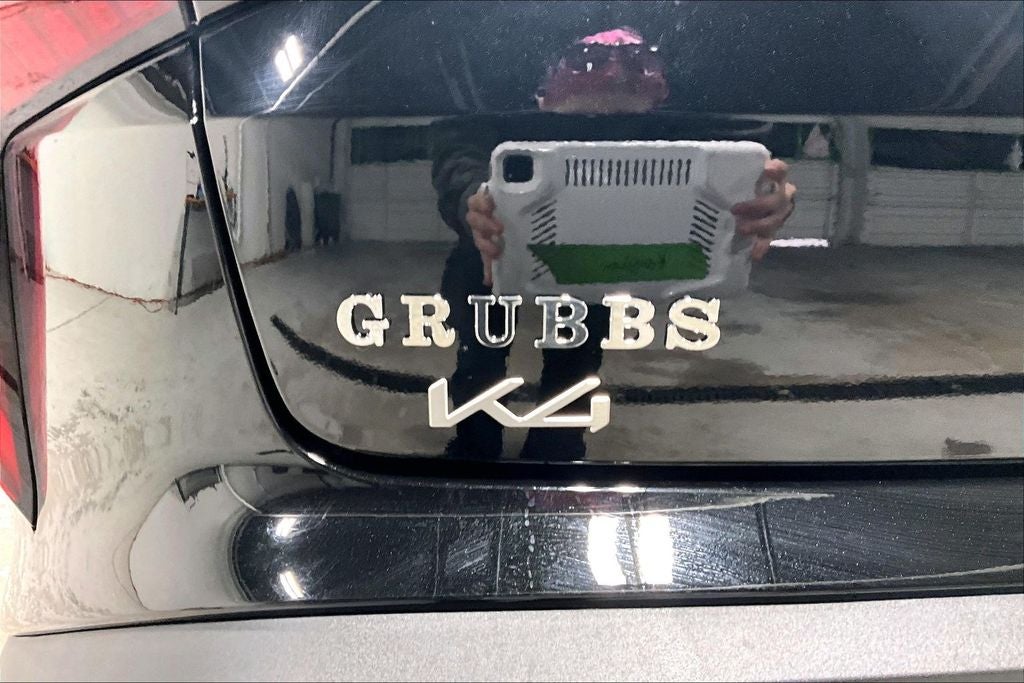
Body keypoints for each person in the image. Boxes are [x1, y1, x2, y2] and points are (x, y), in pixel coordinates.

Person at [430, 27, 797, 461]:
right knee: (480, 359)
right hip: (489, 253)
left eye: (637, 62)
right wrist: (476, 199)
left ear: (662, 87)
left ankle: (552, 454)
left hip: (595, 263)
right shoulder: (494, 109)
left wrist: (768, 194)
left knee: (574, 365)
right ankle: (479, 449)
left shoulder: (684, 123)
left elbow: (745, 159)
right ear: (542, 88)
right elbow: (459, 155)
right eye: (587, 60)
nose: (614, 70)